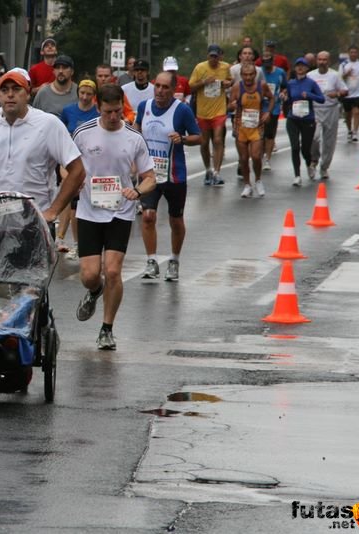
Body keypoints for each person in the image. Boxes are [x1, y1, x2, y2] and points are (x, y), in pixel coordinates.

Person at [72, 83, 156, 350]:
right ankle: (94, 291)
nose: (113, 117)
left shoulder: (133, 137)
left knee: (113, 271)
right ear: (98, 107)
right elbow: (66, 167)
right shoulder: (84, 133)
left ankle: (107, 328)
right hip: (88, 211)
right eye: (108, 112)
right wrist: (73, 183)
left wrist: (137, 190)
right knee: (89, 275)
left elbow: (150, 178)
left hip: (120, 211)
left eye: (118, 111)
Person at [0, 68, 85, 227]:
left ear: (28, 94)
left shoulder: (48, 124)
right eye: (4, 90)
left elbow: (78, 169)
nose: (10, 94)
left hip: (36, 221)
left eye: (16, 89)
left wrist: (53, 210)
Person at [135, 71, 200, 281]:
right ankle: (151, 261)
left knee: (176, 220)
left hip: (174, 175)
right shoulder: (144, 107)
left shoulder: (182, 110)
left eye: (165, 88)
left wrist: (182, 138)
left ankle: (174, 260)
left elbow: (198, 137)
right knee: (147, 216)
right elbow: (137, 128)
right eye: (158, 86)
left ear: (174, 90)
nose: (160, 91)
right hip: (149, 174)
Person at [57, 79, 100, 259]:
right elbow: (60, 134)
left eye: (89, 94)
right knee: (68, 197)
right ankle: (62, 238)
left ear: (93, 96)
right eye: (82, 93)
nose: (84, 97)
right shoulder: (68, 111)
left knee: (84, 204)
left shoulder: (97, 113)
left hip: (90, 163)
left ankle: (84, 243)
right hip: (69, 160)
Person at [229, 63, 274, 198]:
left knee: (255, 156)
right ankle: (247, 185)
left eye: (251, 75)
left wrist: (268, 113)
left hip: (256, 126)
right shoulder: (237, 87)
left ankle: (258, 180)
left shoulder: (262, 86)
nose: (248, 78)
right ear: (241, 75)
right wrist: (231, 106)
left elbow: (272, 98)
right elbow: (229, 106)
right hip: (241, 127)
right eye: (245, 75)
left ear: (255, 75)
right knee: (243, 158)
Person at [189, 44, 232, 186]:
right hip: (203, 112)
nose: (213, 59)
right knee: (204, 142)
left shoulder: (225, 67)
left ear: (220, 56)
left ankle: (216, 172)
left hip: (219, 110)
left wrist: (227, 83)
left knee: (218, 140)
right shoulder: (200, 68)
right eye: (211, 56)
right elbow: (191, 86)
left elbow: (230, 80)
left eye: (216, 56)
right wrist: (204, 82)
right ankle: (208, 169)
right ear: (207, 56)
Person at [308, 51, 347, 180]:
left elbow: (344, 90)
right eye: (320, 59)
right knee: (314, 137)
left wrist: (336, 94)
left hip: (331, 109)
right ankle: (313, 161)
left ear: (328, 61)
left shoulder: (335, 75)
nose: (322, 62)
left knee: (329, 141)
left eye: (325, 60)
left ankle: (324, 168)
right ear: (316, 61)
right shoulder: (310, 75)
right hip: (315, 110)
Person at [286, 57, 325, 186]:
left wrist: (309, 95)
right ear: (295, 68)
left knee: (305, 149)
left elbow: (321, 99)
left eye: (303, 66)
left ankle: (309, 164)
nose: (300, 68)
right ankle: (297, 175)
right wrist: (284, 97)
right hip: (293, 119)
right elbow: (289, 100)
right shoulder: (290, 83)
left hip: (308, 120)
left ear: (307, 68)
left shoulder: (311, 83)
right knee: (295, 147)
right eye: (298, 65)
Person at [260, 52, 288, 171]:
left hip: (274, 107)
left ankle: (267, 159)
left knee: (270, 135)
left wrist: (283, 93)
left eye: (268, 62)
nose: (266, 65)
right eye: (264, 63)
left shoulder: (280, 72)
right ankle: (260, 155)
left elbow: (285, 86)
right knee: (260, 134)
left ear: (272, 61)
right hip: (260, 106)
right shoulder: (259, 72)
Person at [340, 45, 359, 142]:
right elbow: (340, 78)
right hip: (347, 92)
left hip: (358, 93)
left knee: (356, 112)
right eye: (351, 52)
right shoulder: (344, 64)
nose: (353, 54)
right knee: (348, 114)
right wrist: (346, 74)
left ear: (357, 53)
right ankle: (349, 130)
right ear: (348, 53)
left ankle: (355, 132)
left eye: (355, 52)